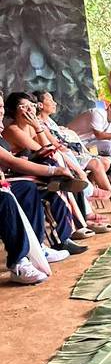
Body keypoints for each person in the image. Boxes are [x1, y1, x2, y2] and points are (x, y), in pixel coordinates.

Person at [0, 93, 84, 263]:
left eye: (0, 107)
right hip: (15, 175)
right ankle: (26, 255)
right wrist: (53, 171)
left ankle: (57, 241)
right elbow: (16, 160)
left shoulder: (11, 129)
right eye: (25, 106)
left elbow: (51, 147)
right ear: (16, 110)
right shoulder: (13, 129)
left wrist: (38, 127)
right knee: (39, 185)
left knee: (51, 183)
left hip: (22, 172)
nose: (31, 108)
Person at [32, 90, 111, 219]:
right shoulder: (97, 113)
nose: (55, 103)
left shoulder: (50, 121)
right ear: (40, 105)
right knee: (98, 163)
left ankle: (88, 192)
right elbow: (56, 145)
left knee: (105, 162)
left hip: (75, 149)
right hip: (68, 152)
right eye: (50, 101)